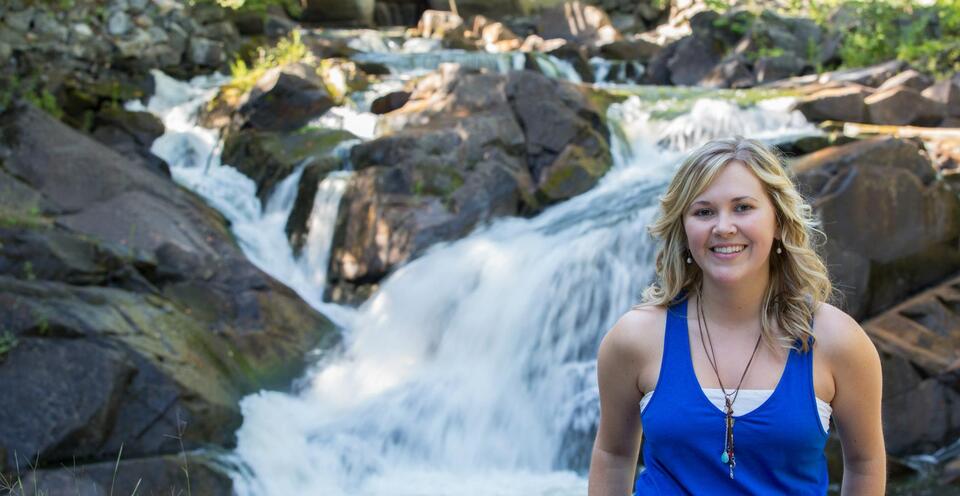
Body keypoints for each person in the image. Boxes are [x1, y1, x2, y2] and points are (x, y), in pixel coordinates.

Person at [587, 137, 885, 495]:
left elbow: (865, 463)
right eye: (704, 212)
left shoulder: (837, 340)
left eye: (743, 207)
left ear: (778, 219)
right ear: (683, 228)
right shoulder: (636, 338)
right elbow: (614, 455)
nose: (723, 227)